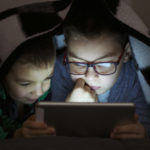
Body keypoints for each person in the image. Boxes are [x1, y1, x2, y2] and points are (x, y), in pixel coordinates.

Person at [49, 3, 150, 139]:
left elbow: (145, 124)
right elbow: (53, 132)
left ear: (126, 54)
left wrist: (140, 132)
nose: (90, 76)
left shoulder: (133, 76)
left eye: (105, 63)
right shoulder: (61, 68)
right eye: (78, 63)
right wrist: (69, 110)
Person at [0, 29, 56, 138]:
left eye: (47, 78)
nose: (39, 92)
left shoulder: (45, 93)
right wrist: (18, 134)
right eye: (25, 84)